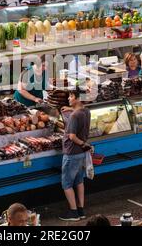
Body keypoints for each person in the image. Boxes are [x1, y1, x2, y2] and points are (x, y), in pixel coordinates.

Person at [59, 88, 92, 221]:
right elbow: (79, 112)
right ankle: (81, 210)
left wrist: (83, 144)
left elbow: (72, 136)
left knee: (66, 183)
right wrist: (71, 108)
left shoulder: (74, 116)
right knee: (79, 181)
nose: (68, 98)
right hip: (81, 154)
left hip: (72, 152)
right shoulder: (86, 111)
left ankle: (73, 212)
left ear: (77, 99)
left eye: (71, 96)